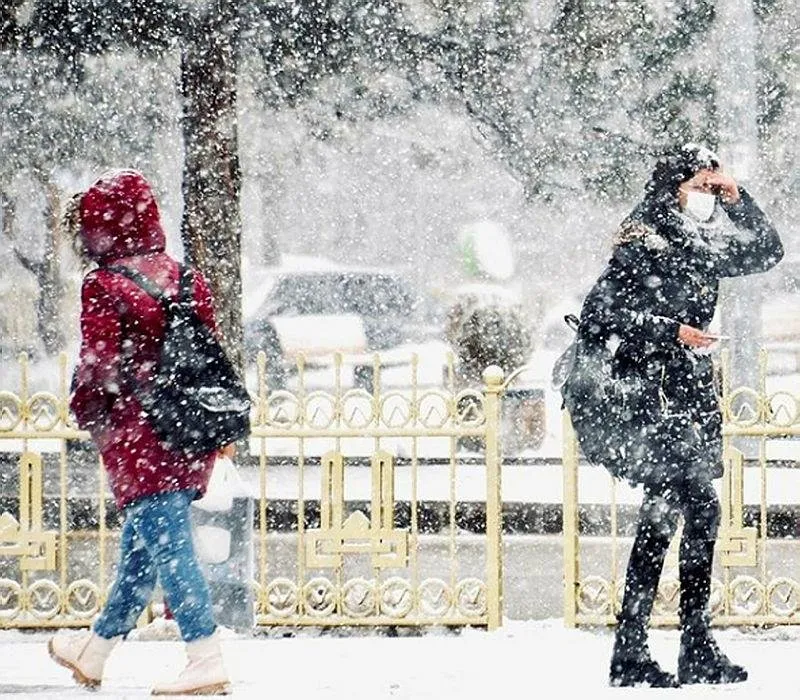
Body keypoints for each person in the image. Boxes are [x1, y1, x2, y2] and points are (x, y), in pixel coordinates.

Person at [570, 144, 783, 687]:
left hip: (686, 394)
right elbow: (599, 314)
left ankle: (650, 648)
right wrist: (672, 331)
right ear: (673, 187)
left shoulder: (699, 240)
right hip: (650, 394)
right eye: (700, 186)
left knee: (669, 515)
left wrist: (737, 198)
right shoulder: (645, 235)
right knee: (694, 509)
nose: (706, 196)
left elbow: (766, 251)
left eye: (712, 187)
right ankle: (672, 645)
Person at [49, 170, 230, 695]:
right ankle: (95, 651)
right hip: (189, 433)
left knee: (171, 550)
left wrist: (88, 412)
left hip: (139, 439)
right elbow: (210, 356)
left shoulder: (104, 286)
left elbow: (99, 367)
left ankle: (205, 655)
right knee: (141, 552)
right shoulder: (188, 279)